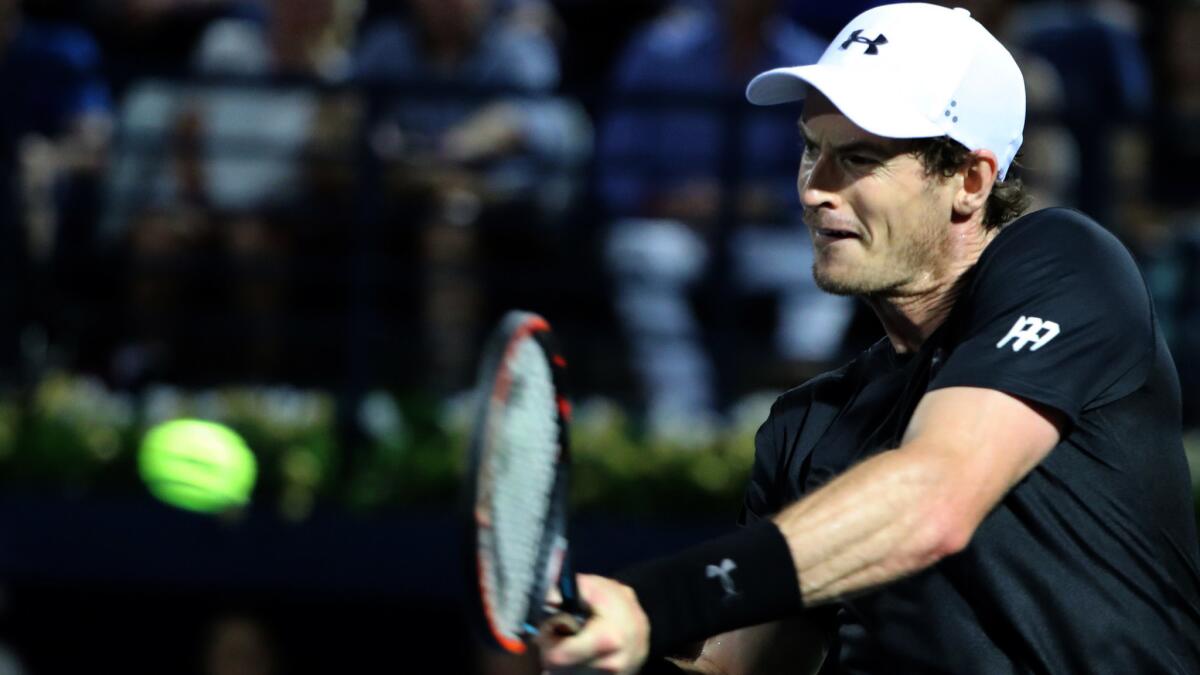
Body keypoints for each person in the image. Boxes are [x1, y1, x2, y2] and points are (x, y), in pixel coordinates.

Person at [536, 4, 1200, 674]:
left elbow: (932, 498)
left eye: (858, 157)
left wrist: (656, 601)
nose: (815, 189)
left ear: (970, 181)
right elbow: (740, 662)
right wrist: (605, 632)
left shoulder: (1070, 263)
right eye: (810, 148)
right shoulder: (805, 426)